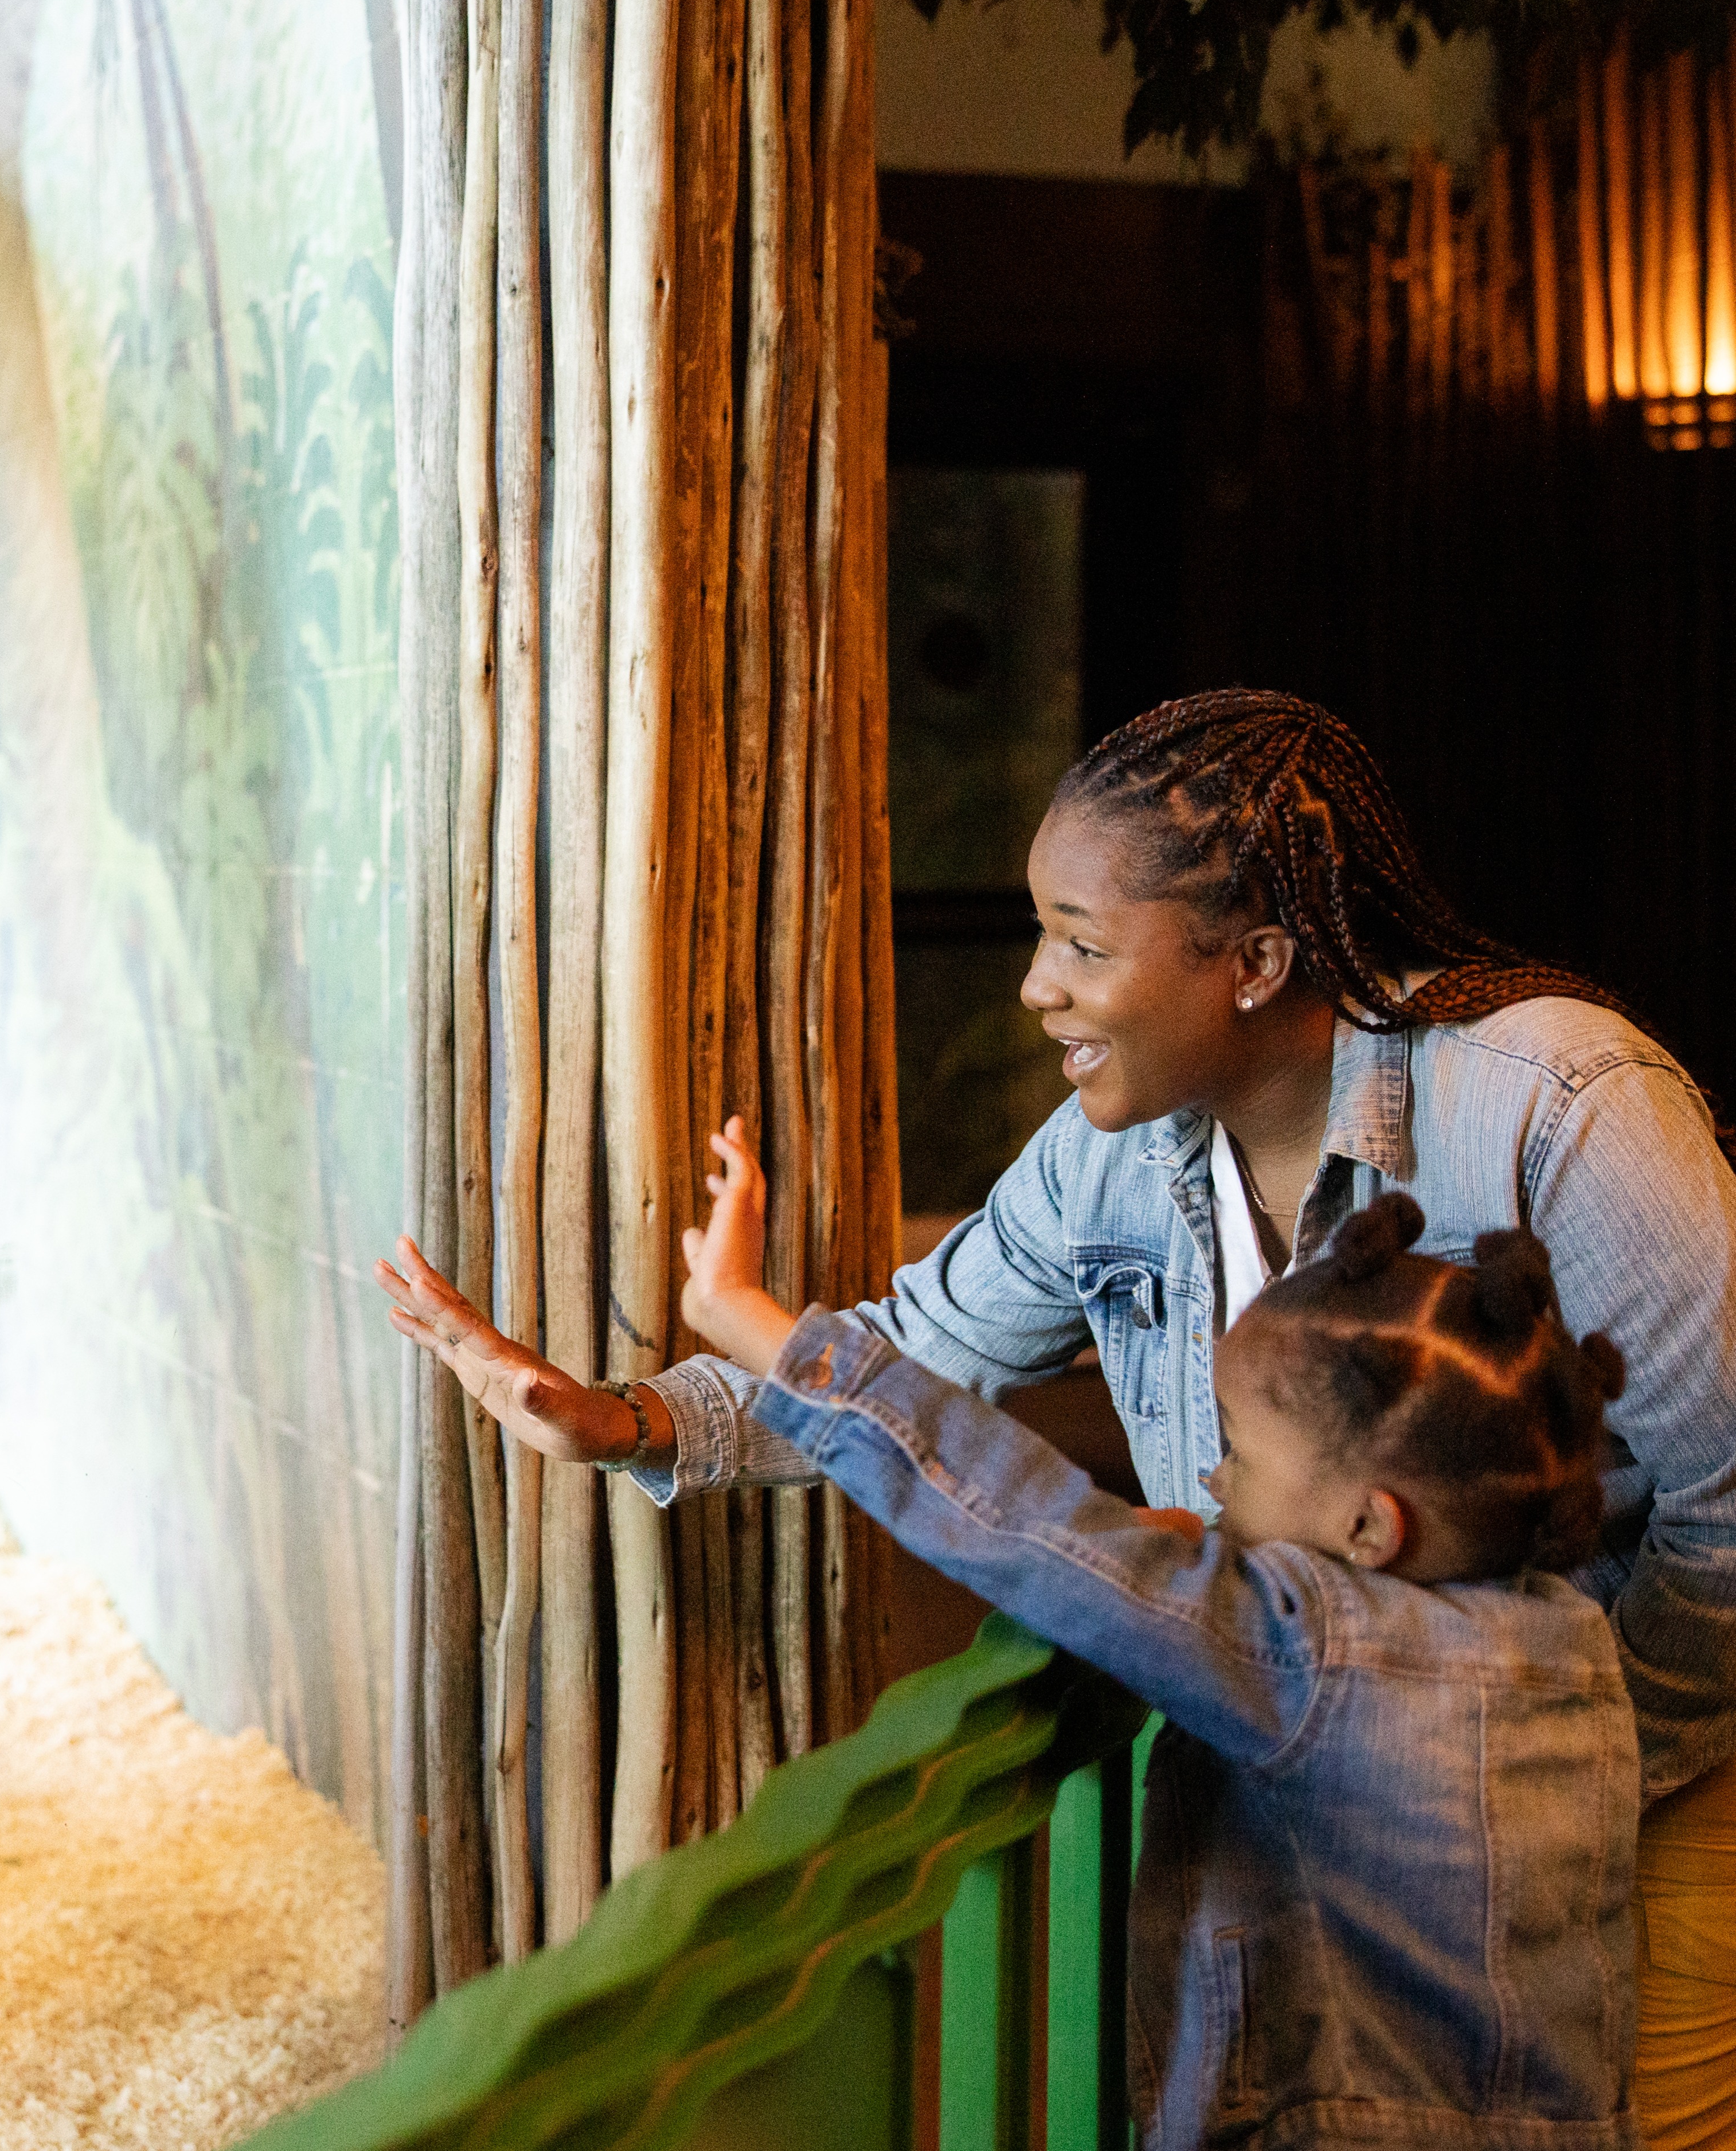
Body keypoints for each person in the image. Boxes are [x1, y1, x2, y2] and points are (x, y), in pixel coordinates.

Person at [377, 689, 1736, 2145]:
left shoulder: (1566, 1105)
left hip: (1636, 1800)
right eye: (1040, 933)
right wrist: (627, 1422)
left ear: (1259, 962)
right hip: (1324, 1822)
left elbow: (1730, 1516)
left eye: (1083, 944)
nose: (1037, 986)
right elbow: (918, 1351)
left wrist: (1531, 1780)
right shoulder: (1114, 1155)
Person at [398, 1170, 1639, 2150]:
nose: (1212, 1480)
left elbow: (1037, 1529)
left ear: (1372, 1531)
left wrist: (775, 1340)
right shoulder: (1571, 1645)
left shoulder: (1314, 1652)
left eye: (1244, 1464)